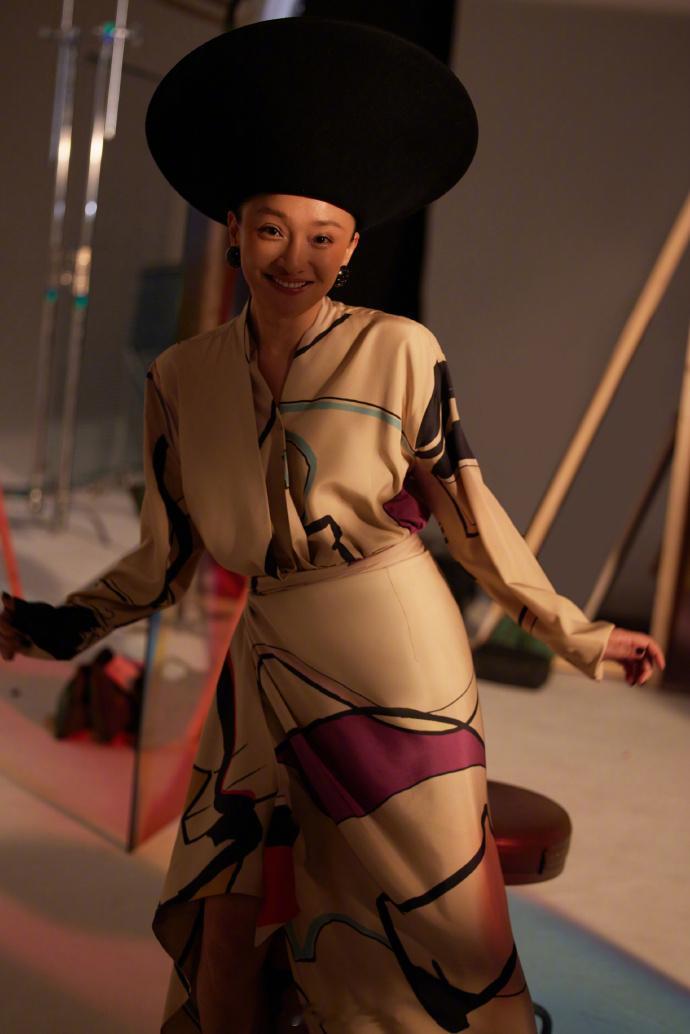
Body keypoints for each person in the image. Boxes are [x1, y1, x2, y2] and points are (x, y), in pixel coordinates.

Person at [0, 18, 665, 1034]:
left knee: (440, 938)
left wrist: (578, 632)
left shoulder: (400, 352)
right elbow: (161, 559)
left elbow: (471, 517)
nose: (294, 257)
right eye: (272, 229)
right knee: (223, 915)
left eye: (322, 237)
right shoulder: (182, 379)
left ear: (352, 249)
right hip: (262, 663)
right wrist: (50, 627)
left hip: (393, 657)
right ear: (234, 228)